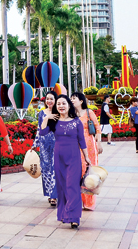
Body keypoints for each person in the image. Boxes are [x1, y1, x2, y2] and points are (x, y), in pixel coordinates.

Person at [39, 94, 91, 229]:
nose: (61, 106)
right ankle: (64, 214)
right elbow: (43, 133)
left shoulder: (76, 121)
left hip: (74, 157)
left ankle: (74, 217)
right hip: (58, 157)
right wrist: (46, 118)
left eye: (63, 103)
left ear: (69, 105)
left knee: (72, 186)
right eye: (58, 104)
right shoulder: (54, 121)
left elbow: (82, 140)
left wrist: (86, 157)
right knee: (62, 186)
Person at [70, 92, 102, 211]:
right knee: (78, 172)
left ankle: (89, 202)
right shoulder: (71, 114)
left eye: (74, 98)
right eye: (71, 99)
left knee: (89, 173)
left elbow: (97, 128)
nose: (72, 100)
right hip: (74, 146)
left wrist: (99, 142)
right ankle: (79, 201)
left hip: (89, 146)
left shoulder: (89, 113)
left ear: (81, 101)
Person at [32, 91, 58, 206]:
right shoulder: (42, 113)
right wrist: (35, 144)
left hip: (57, 144)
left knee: (55, 170)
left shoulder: (59, 112)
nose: (49, 101)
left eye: (51, 99)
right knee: (46, 170)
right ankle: (49, 193)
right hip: (44, 145)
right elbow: (39, 129)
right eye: (47, 99)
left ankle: (54, 196)